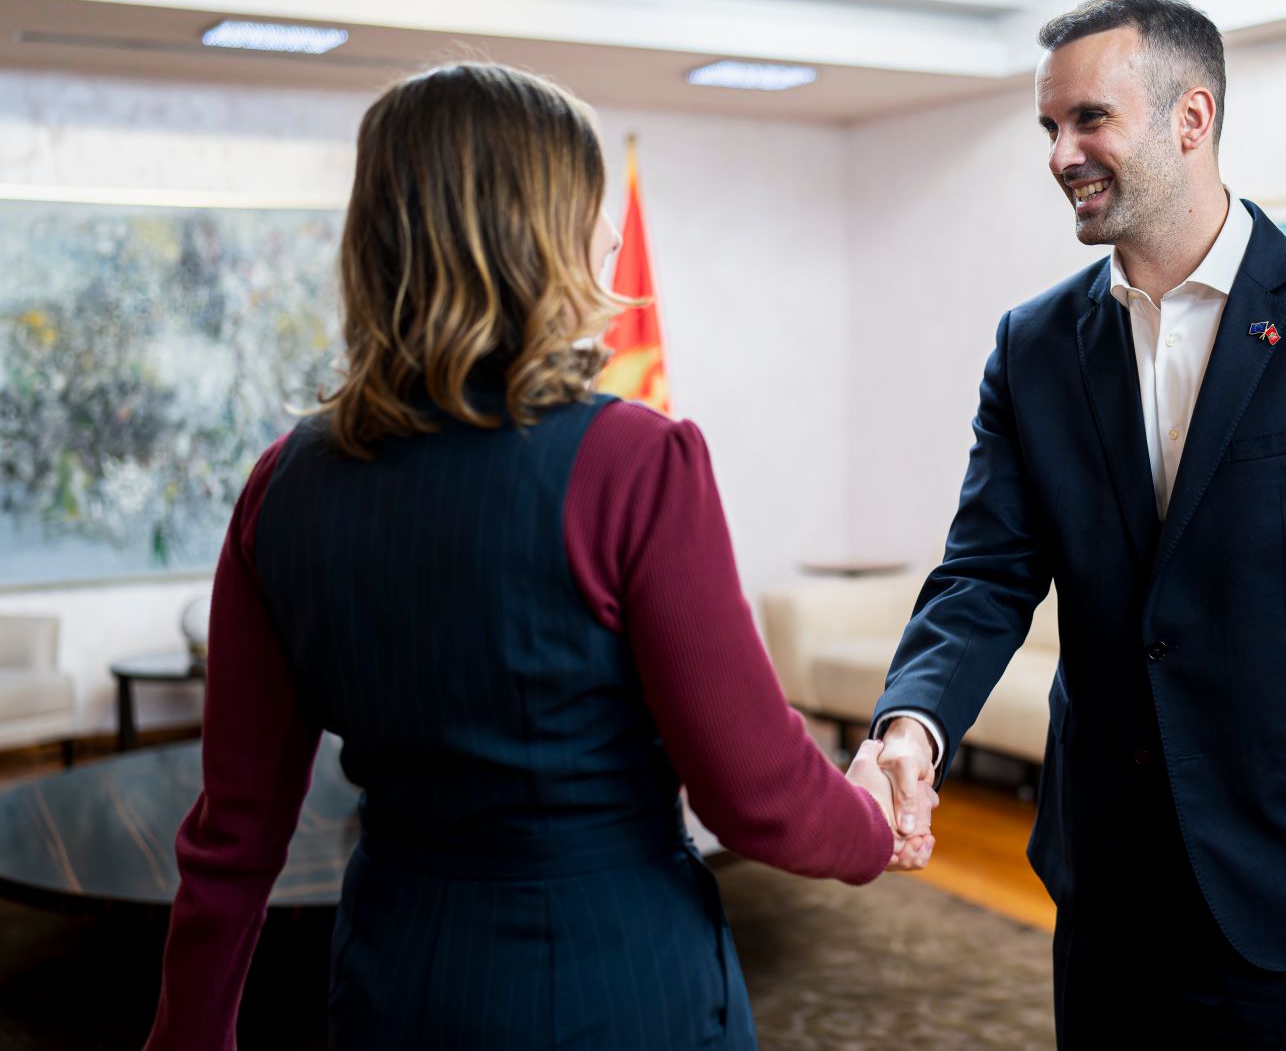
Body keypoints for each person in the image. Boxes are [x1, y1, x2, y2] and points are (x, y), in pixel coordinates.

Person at [146, 61, 924, 1051]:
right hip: (618, 983)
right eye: (591, 208)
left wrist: (186, 1033)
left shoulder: (280, 485)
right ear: (539, 235)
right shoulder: (636, 461)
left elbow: (235, 832)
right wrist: (873, 820)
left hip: (391, 978)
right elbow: (756, 794)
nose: (612, 239)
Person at [866, 0, 1286, 1048]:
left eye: (1089, 119)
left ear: (1190, 117)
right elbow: (983, 573)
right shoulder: (1031, 346)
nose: (1060, 153)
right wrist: (911, 722)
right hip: (1104, 875)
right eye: (1048, 126)